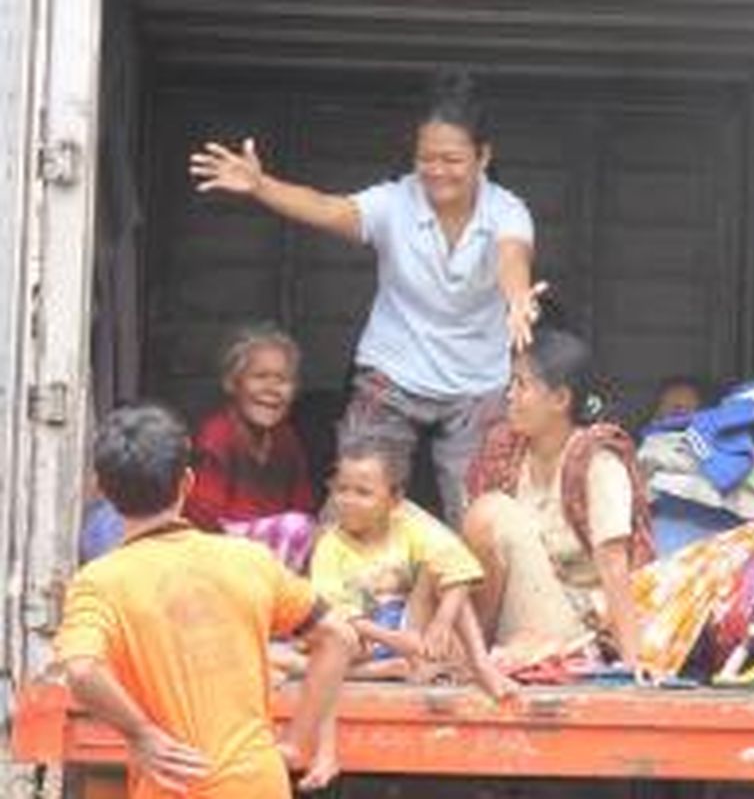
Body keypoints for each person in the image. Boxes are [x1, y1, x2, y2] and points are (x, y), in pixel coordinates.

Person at [188, 70, 542, 528]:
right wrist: (260, 186)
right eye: (426, 159)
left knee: (478, 515)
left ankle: (468, 601)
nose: (437, 171)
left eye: (452, 159)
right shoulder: (394, 203)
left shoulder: (507, 209)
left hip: (477, 381)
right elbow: (327, 208)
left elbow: (512, 256)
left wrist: (516, 300)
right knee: (354, 497)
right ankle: (334, 595)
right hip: (393, 370)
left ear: (483, 156)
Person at [54, 403, 356, 798]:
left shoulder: (100, 582)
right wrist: (298, 741)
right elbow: (339, 636)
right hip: (256, 783)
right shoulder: (247, 559)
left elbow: (81, 669)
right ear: (187, 483)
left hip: (172, 787)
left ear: (102, 488)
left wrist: (142, 734)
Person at [462, 328, 655, 670]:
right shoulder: (505, 452)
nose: (509, 395)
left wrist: (634, 662)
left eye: (522, 385)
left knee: (489, 513)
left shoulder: (596, 461)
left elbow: (614, 565)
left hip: (581, 625)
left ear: (560, 399)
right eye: (511, 384)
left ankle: (474, 657)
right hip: (515, 616)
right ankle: (474, 655)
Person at [309, 430, 515, 699]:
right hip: (364, 639)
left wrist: (442, 621)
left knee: (441, 570)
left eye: (363, 493)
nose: (349, 501)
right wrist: (391, 639)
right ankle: (382, 669)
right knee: (330, 634)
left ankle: (481, 664)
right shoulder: (330, 545)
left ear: (395, 500)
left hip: (412, 632)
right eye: (341, 490)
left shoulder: (409, 525)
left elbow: (457, 567)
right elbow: (335, 612)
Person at [185, 324, 317, 571]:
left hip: (273, 553)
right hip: (220, 552)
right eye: (260, 377)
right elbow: (203, 522)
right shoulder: (218, 435)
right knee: (295, 528)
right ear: (232, 383)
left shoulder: (285, 438)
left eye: (283, 380)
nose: (272, 389)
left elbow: (304, 505)